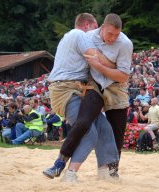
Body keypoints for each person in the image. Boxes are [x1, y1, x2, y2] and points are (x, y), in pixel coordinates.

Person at [43, 13, 120, 181]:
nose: (96, 34)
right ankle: (68, 172)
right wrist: (119, 67)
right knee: (89, 132)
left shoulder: (71, 37)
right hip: (67, 90)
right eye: (95, 28)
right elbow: (97, 58)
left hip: (72, 89)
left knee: (104, 127)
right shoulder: (79, 34)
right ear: (86, 25)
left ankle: (106, 171)